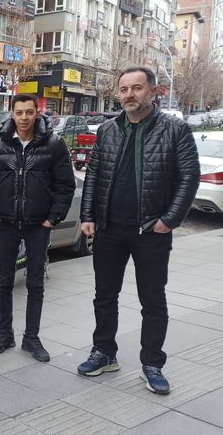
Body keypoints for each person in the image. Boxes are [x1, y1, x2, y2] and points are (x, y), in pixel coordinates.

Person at [76, 67, 199, 395]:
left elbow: (189, 177)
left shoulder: (175, 129)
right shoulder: (108, 129)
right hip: (109, 228)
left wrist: (169, 220)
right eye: (124, 89)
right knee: (104, 296)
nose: (129, 94)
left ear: (153, 91)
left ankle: (152, 364)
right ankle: (104, 352)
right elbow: (94, 173)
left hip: (151, 231)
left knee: (153, 300)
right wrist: (88, 215)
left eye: (137, 88)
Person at [0, 93, 75, 362]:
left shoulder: (54, 144)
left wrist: (52, 218)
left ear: (37, 113)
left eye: (29, 112)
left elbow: (65, 185)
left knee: (35, 283)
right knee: (5, 281)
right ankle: (5, 333)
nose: (24, 118)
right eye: (19, 112)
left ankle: (31, 337)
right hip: (6, 223)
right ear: (12, 113)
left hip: (38, 225)